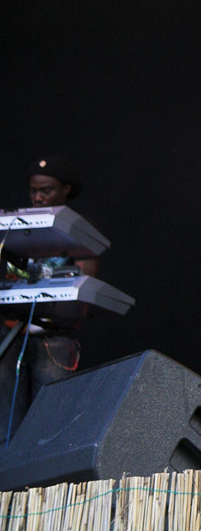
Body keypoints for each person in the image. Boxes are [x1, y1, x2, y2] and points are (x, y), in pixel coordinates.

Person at [3, 155, 95, 437]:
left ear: (65, 189)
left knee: (50, 426)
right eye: (33, 191)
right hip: (11, 337)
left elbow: (84, 291)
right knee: (6, 425)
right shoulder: (16, 227)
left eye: (46, 191)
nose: (38, 198)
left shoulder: (80, 231)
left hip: (55, 338)